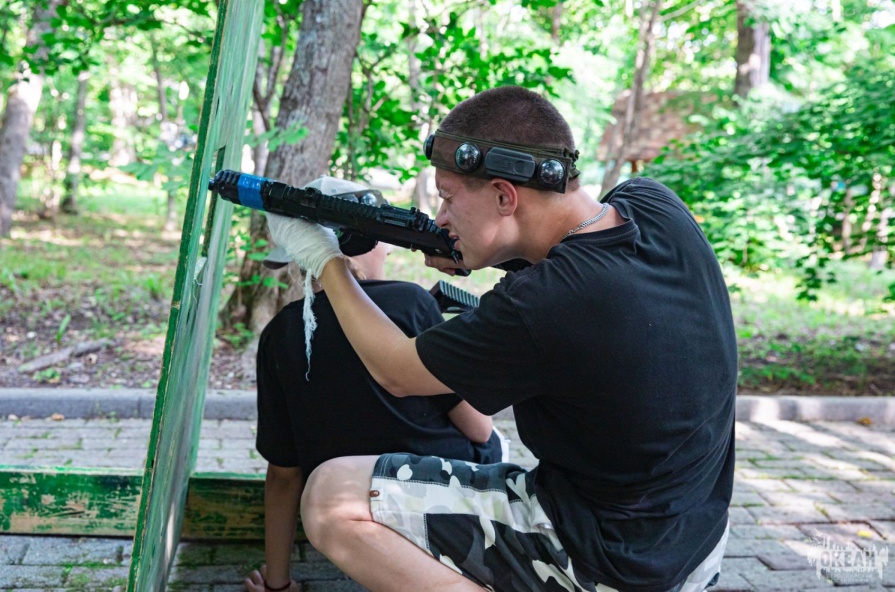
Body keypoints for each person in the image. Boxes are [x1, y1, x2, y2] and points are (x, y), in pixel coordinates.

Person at [268, 87, 737, 592]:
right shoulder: (653, 203)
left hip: (606, 559)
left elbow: (395, 370)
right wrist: (494, 252)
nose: (441, 216)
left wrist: (328, 262)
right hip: (693, 538)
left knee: (332, 496)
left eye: (448, 198)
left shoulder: (541, 305)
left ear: (504, 197)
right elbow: (580, 265)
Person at [243, 176, 503, 592]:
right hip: (435, 499)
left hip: (346, 510)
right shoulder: (412, 302)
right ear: (367, 241)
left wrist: (278, 583)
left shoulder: (279, 333)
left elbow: (283, 474)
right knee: (497, 444)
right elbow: (479, 428)